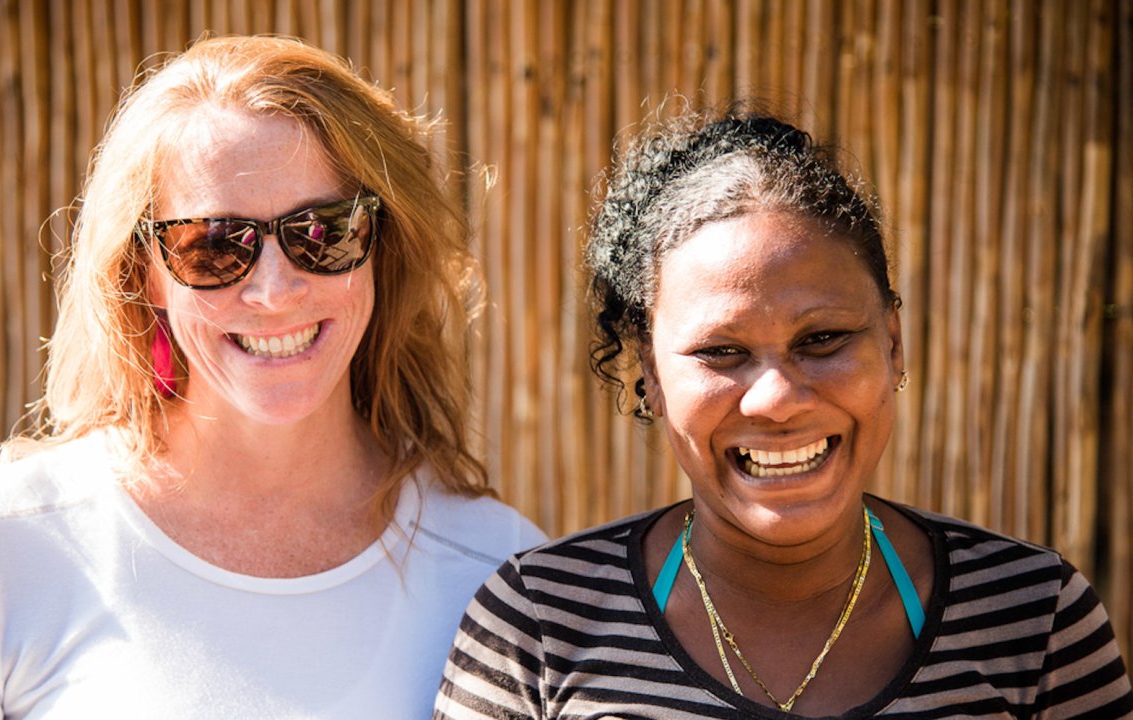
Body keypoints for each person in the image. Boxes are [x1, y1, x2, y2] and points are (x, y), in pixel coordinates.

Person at [0, 34, 545, 718]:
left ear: (380, 247)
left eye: (324, 232)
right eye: (216, 246)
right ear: (145, 275)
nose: (276, 291)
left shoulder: (502, 571)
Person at [434, 112, 1133, 718]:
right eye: (721, 351)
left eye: (822, 339)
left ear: (893, 342)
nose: (775, 398)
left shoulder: (1032, 618)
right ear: (649, 371)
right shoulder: (539, 626)